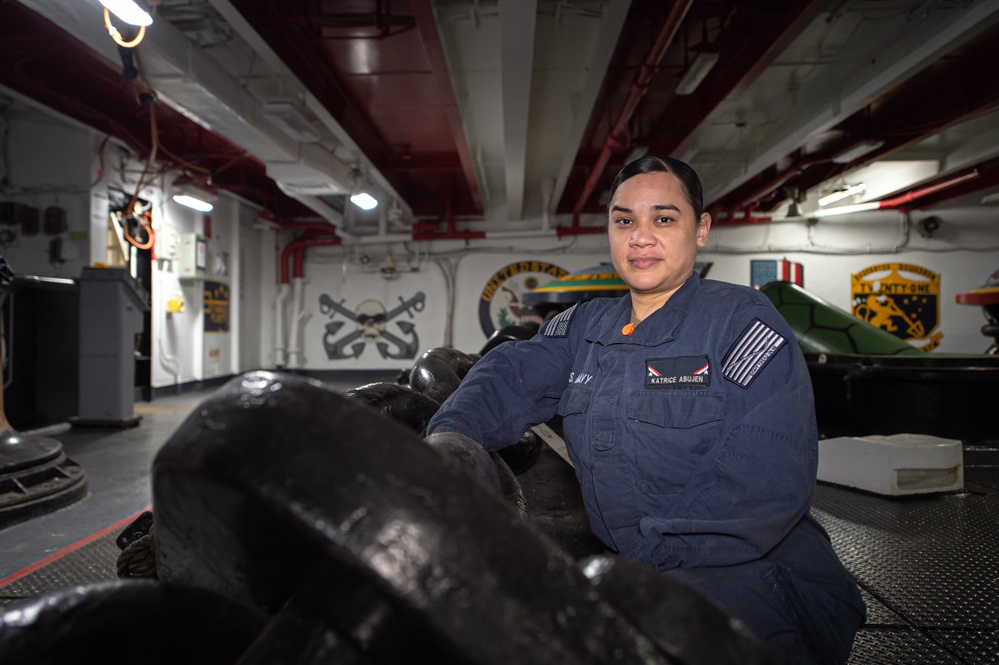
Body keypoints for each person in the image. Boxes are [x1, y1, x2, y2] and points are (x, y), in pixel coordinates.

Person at [426, 155, 866, 664]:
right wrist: (449, 442)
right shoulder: (584, 325)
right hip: (637, 576)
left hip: (751, 582)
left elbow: (765, 473)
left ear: (700, 230)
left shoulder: (738, 322)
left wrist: (644, 569)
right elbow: (508, 374)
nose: (640, 237)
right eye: (624, 220)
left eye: (663, 218)